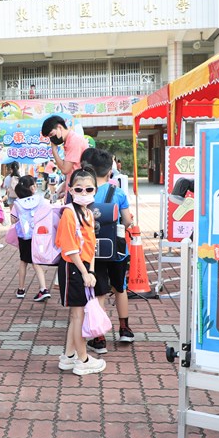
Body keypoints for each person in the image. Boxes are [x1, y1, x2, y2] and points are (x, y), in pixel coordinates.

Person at [80, 148, 136, 352]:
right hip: (118, 250)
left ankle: (99, 337)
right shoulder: (118, 192)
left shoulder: (84, 193)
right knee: (120, 288)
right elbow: (128, 220)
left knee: (98, 292)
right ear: (109, 171)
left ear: (90, 171)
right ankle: (124, 329)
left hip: (92, 251)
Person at [55, 167, 105, 376]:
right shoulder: (68, 213)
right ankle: (83, 360)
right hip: (72, 268)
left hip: (83, 268)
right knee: (78, 316)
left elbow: (91, 245)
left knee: (77, 316)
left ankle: (68, 357)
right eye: (79, 189)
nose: (84, 193)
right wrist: (85, 272)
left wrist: (91, 271)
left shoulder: (88, 214)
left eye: (88, 189)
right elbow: (69, 248)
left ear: (95, 189)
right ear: (71, 189)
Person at [10, 175, 50, 302]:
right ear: (32, 187)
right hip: (38, 235)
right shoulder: (40, 200)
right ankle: (43, 288)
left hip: (24, 236)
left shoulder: (18, 204)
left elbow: (13, 220)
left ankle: (21, 289)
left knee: (23, 261)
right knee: (36, 261)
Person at [42, 115, 88, 200]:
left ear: (59, 127)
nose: (51, 139)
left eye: (51, 134)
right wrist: (62, 189)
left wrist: (54, 150)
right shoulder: (69, 141)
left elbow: (65, 170)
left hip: (78, 192)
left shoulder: (74, 141)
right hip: (74, 188)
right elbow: (72, 170)